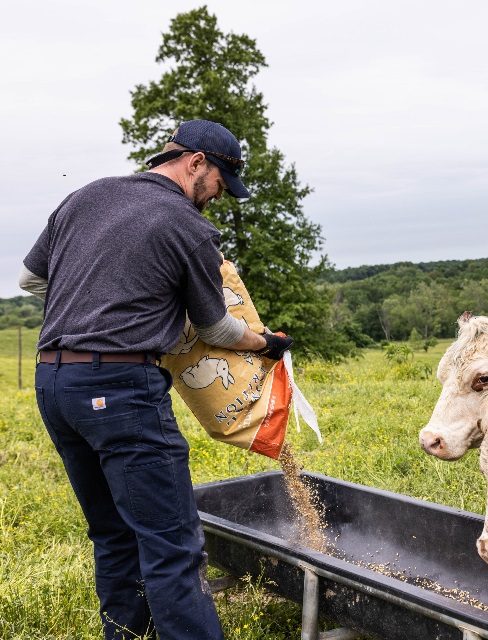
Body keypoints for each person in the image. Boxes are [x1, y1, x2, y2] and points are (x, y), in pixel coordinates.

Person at [20, 119, 293, 640]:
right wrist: (266, 343)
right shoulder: (186, 224)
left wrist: (95, 290)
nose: (216, 198)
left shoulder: (87, 196)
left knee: (113, 534)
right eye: (218, 184)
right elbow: (215, 326)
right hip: (120, 387)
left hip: (53, 383)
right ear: (196, 163)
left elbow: (31, 279)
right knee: (173, 544)